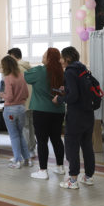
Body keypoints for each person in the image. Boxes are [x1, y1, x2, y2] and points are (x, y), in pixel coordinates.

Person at [54, 46, 95, 189]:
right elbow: (80, 91)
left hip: (75, 116)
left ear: (68, 59)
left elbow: (73, 97)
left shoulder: (70, 72)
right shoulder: (83, 70)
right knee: (87, 146)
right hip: (88, 114)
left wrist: (59, 99)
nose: (60, 61)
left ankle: (72, 180)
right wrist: (67, 89)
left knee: (72, 147)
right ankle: (88, 177)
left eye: (61, 58)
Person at [24, 48, 66, 179]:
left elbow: (26, 76)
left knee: (42, 140)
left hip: (41, 111)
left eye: (44, 55)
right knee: (56, 139)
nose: (42, 56)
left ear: (48, 59)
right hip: (58, 110)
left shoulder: (40, 71)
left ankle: (43, 171)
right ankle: (60, 167)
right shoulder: (62, 73)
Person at [0, 56, 31, 169]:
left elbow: (9, 97)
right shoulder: (21, 76)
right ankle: (27, 159)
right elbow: (27, 94)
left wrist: (1, 95)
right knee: (20, 134)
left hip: (11, 110)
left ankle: (17, 160)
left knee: (14, 136)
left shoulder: (8, 78)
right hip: (22, 108)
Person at [8, 47, 36, 157]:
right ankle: (32, 149)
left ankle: (26, 151)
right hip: (31, 102)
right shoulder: (29, 67)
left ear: (13, 56)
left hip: (21, 102)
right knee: (30, 127)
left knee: (23, 127)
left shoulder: (16, 68)